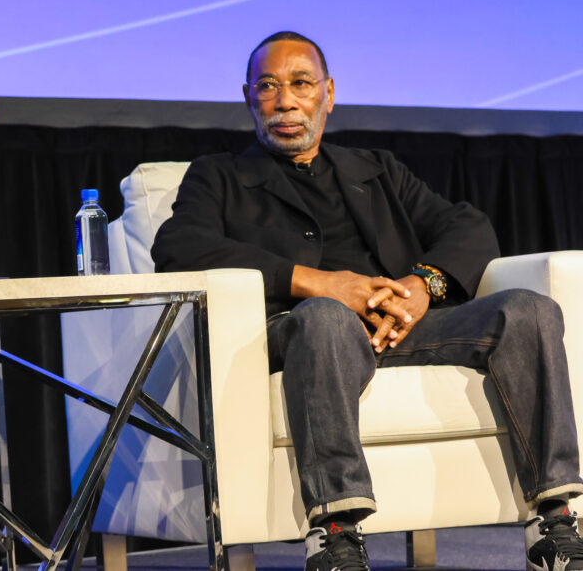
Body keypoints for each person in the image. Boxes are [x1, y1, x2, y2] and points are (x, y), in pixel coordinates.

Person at [151, 31, 583, 571]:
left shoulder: (375, 170)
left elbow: (467, 225)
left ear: (328, 94)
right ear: (248, 99)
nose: (285, 100)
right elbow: (178, 247)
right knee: (328, 319)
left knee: (528, 308)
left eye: (301, 84)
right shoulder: (219, 176)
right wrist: (320, 283)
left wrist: (420, 288)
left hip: (399, 329)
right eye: (268, 87)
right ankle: (334, 532)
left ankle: (555, 520)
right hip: (298, 330)